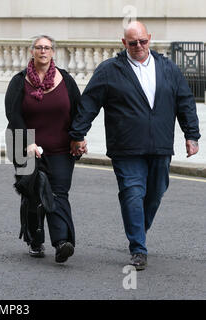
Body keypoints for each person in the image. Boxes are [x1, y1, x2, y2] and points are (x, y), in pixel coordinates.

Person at [69, 21, 200, 270]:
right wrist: (78, 134)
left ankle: (138, 228)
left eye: (143, 41)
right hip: (126, 147)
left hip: (160, 145)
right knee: (132, 192)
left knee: (156, 192)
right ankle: (138, 248)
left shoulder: (167, 68)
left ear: (149, 39)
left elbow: (185, 101)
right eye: (133, 43)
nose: (139, 46)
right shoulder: (110, 70)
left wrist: (191, 135)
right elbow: (89, 103)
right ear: (123, 43)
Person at [5, 35, 81, 264]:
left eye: (47, 48)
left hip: (60, 148)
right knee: (35, 195)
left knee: (58, 193)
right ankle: (35, 239)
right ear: (32, 52)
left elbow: (78, 111)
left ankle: (62, 242)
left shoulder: (66, 80)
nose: (43, 51)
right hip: (25, 147)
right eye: (38, 48)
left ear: (53, 52)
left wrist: (79, 138)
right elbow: (13, 114)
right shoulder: (19, 81)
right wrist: (28, 142)